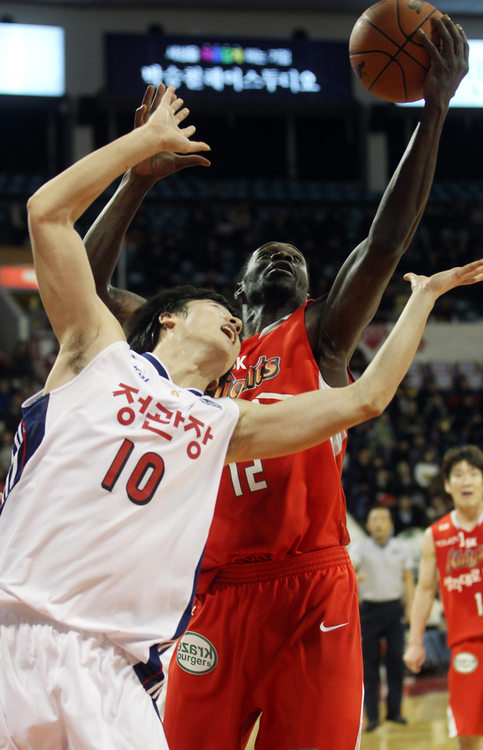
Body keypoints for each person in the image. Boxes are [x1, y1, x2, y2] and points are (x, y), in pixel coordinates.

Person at [3, 85, 481, 750]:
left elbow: (383, 244)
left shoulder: (318, 336)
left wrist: (432, 113)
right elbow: (88, 277)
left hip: (308, 579)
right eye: (268, 257)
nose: (284, 256)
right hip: (215, 589)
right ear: (230, 296)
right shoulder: (186, 368)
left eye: (298, 260)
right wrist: (137, 180)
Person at [404, 445, 483, 750]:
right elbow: (425, 590)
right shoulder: (435, 535)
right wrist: (414, 641)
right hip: (465, 647)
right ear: (448, 485)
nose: (467, 481)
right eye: (458, 475)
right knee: (468, 736)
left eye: (474, 474)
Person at [350, 506, 415, 731]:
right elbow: (350, 571)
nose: (378, 522)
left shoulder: (401, 548)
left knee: (396, 660)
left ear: (391, 524)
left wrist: (410, 609)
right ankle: (373, 716)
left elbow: (408, 579)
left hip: (394, 609)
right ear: (368, 525)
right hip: (369, 611)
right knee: (369, 664)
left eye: (383, 518)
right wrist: (355, 577)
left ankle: (395, 711)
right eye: (374, 518)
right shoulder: (360, 548)